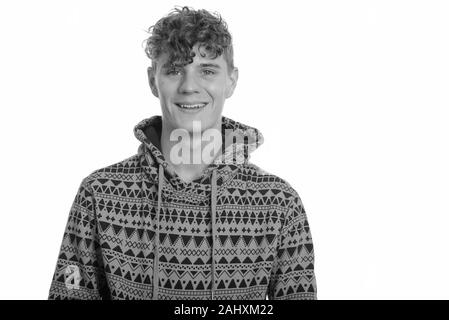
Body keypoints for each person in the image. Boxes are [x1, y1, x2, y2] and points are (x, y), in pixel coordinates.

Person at [48, 6, 317, 300]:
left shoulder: (279, 203)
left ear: (231, 81)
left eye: (207, 71)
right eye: (175, 70)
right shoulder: (99, 195)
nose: (189, 86)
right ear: (153, 80)